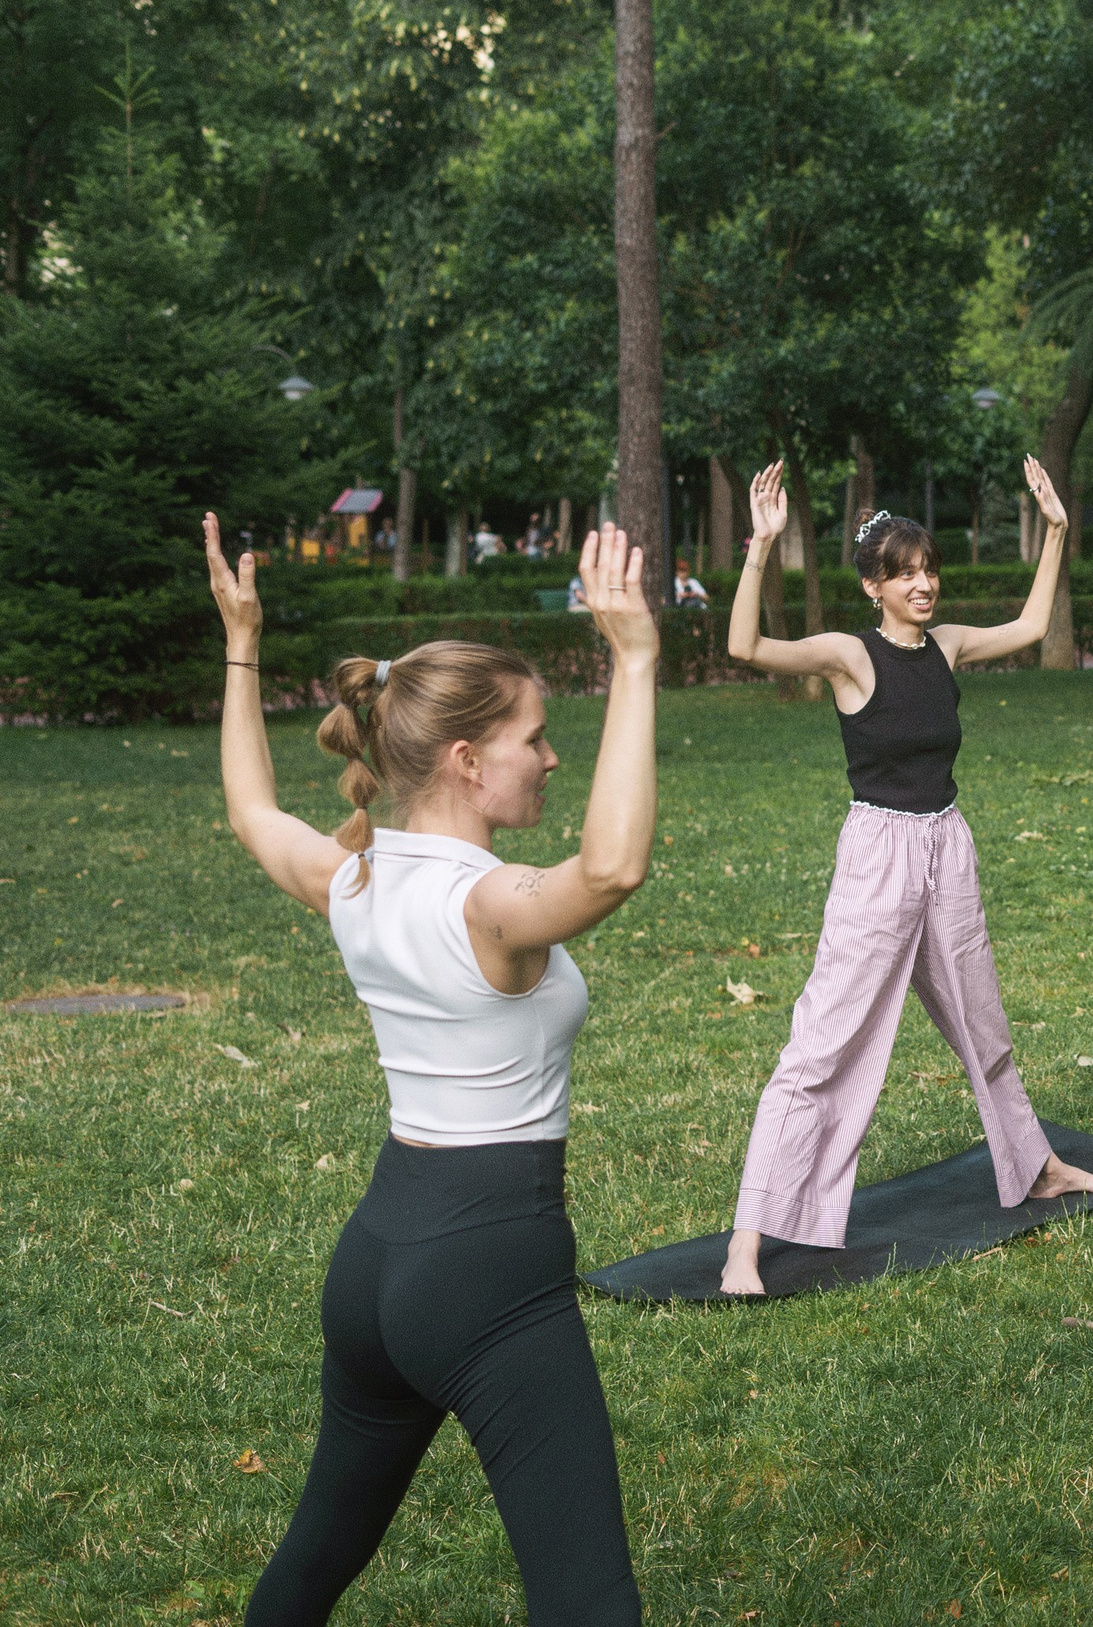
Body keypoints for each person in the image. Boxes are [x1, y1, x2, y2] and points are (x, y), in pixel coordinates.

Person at [203, 512, 657, 1624]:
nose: (551, 756)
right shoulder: (491, 908)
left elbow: (254, 810)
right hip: (488, 1274)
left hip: (375, 1263)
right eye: (536, 738)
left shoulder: (354, 876)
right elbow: (613, 867)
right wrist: (637, 659)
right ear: (465, 758)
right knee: (590, 1602)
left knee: (311, 1566)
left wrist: (241, 643)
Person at [717, 455, 1093, 1298]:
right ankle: (746, 1242)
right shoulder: (848, 655)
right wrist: (760, 546)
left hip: (948, 845)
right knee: (821, 1045)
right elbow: (744, 645)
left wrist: (1056, 529)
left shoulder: (947, 645)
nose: (924, 584)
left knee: (985, 1024)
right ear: (873, 586)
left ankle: (1039, 1166)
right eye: (904, 575)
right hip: (878, 854)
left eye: (929, 569)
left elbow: (1032, 622)